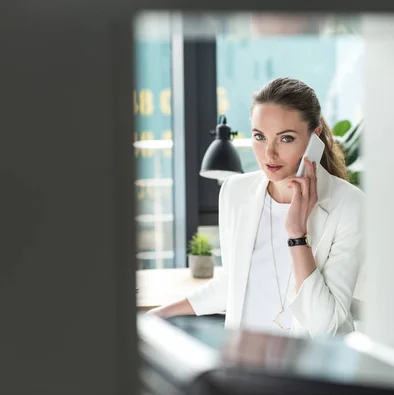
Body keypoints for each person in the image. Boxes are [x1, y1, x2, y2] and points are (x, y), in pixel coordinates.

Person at [149, 77, 366, 338]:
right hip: (245, 365)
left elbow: (325, 326)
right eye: (259, 137)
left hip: (310, 369)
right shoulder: (235, 192)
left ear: (314, 136)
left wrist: (297, 235)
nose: (269, 154)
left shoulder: (349, 204)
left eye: (286, 138)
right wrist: (160, 314)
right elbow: (234, 283)